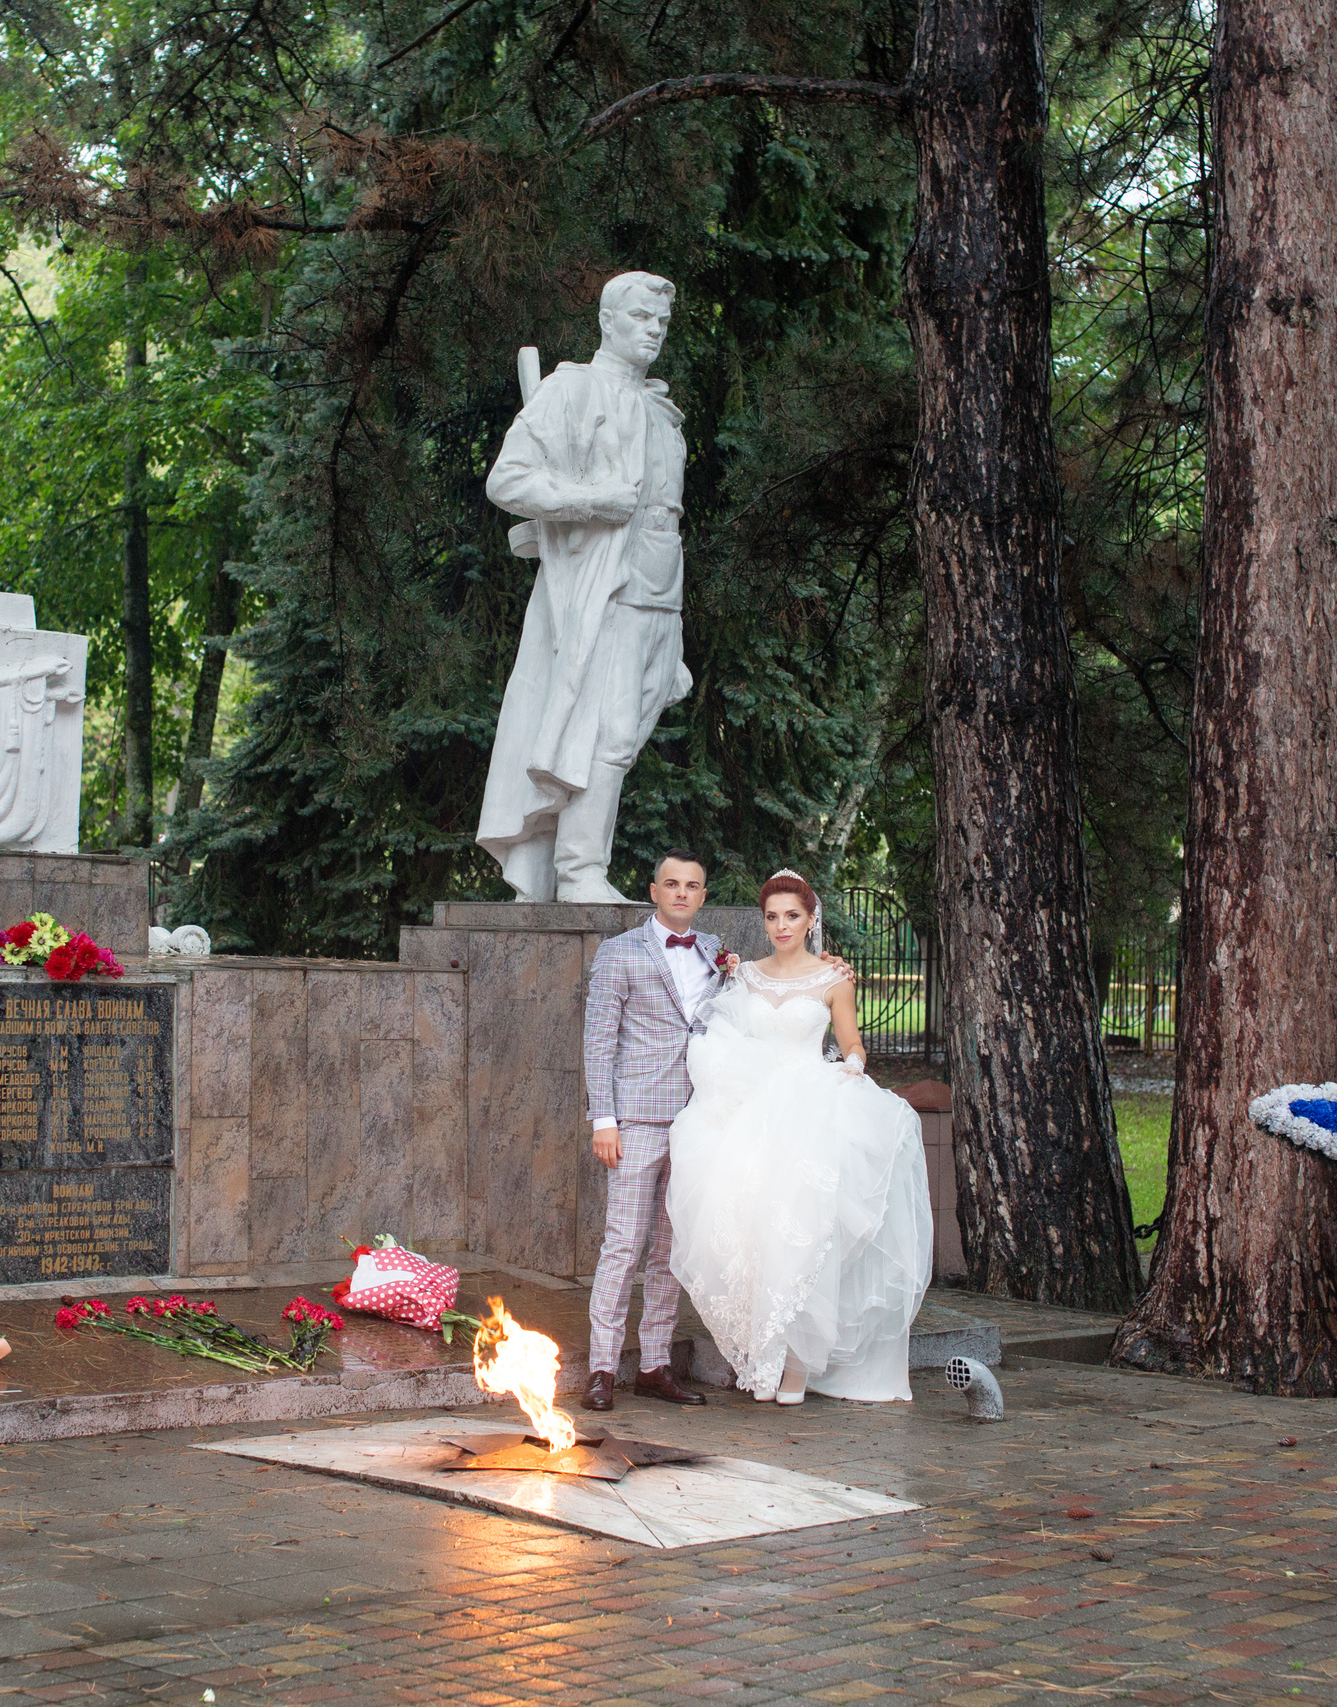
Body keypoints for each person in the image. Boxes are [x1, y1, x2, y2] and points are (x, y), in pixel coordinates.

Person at [666, 869, 933, 1404]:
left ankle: (796, 1366)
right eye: (772, 917)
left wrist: (853, 1064)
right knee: (751, 1231)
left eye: (792, 916)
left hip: (808, 1109)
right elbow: (725, 1035)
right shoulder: (744, 975)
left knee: (800, 1233)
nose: (781, 926)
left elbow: (851, 1041)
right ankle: (763, 1354)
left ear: (811, 920)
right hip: (751, 1111)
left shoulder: (834, 977)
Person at [475, 272, 692, 903]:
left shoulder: (661, 411)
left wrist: (674, 632)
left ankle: (563, 867)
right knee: (603, 733)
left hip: (658, 594)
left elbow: (666, 518)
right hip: (601, 590)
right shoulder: (571, 389)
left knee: (620, 740)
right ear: (607, 320)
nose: (653, 331)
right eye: (641, 318)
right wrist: (590, 500)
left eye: (661, 322)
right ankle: (579, 872)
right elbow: (508, 480)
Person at [577, 849, 731, 1411]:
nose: (681, 893)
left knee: (670, 1250)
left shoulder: (716, 953)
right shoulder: (619, 952)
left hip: (695, 1121)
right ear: (654, 891)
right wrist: (604, 1119)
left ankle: (654, 1366)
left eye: (692, 885)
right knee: (622, 1245)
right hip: (636, 1120)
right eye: (672, 884)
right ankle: (601, 1369)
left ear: (703, 895)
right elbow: (599, 1040)